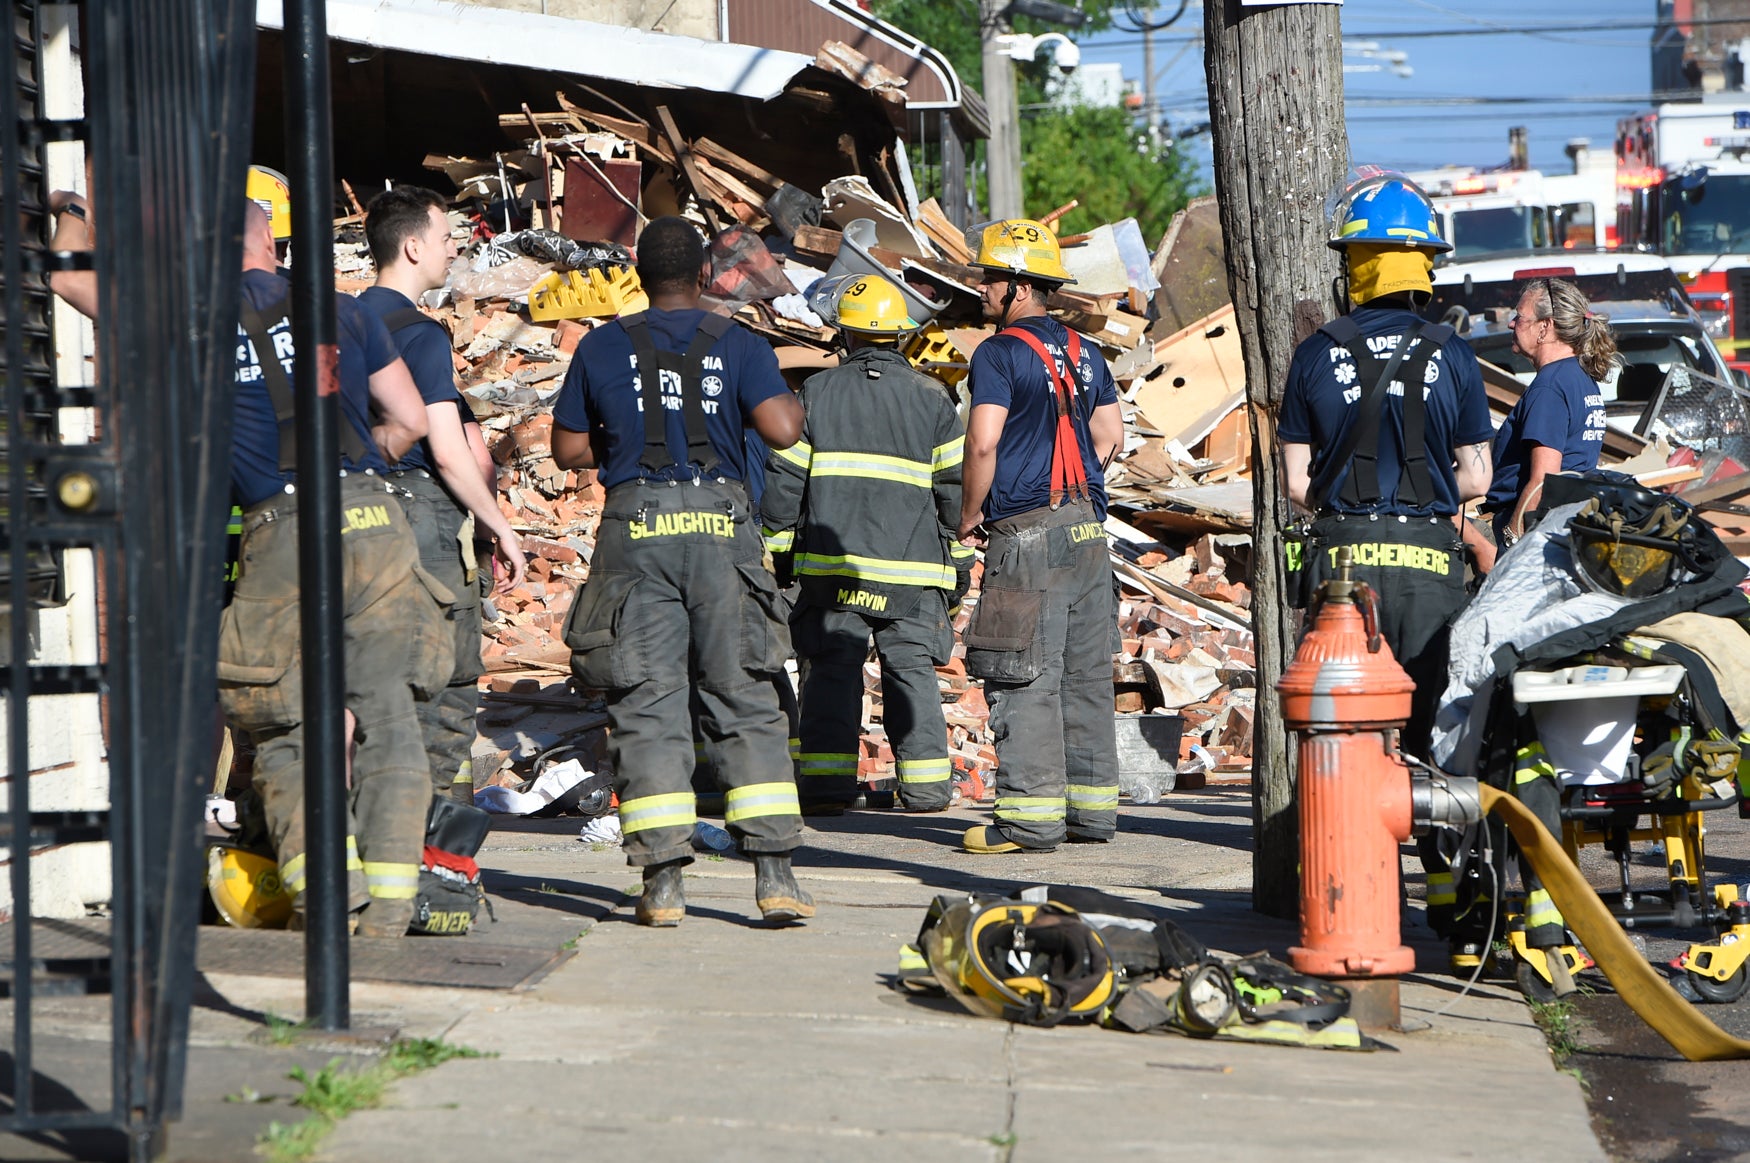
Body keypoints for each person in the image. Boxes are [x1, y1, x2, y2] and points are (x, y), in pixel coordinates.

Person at [551, 216, 812, 926]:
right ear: (704, 275)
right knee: (744, 695)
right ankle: (775, 877)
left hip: (636, 531)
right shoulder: (741, 343)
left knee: (647, 703)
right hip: (722, 529)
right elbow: (784, 430)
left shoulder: (602, 346)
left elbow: (570, 449)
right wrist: (776, 395)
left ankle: (662, 883)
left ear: (637, 274)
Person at [217, 199, 451, 938]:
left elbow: (73, 284)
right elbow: (411, 422)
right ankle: (386, 913)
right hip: (373, 522)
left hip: (279, 529)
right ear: (269, 242)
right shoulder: (342, 309)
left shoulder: (188, 323)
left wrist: (69, 210)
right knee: (387, 715)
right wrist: (363, 458)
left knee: (284, 725)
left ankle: (328, 898)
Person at [1279, 171, 1494, 967]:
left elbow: (1299, 486)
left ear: (1355, 265)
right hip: (1431, 569)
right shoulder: (1456, 355)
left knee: (1342, 734)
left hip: (1342, 574)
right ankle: (1455, 908)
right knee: (1443, 736)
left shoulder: (1314, 355)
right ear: (1423, 266)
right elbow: (1474, 476)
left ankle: (1346, 895)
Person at [760, 274, 973, 815]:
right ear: (899, 335)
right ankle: (926, 790)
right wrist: (961, 562)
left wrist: (782, 552)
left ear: (845, 335)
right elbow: (955, 493)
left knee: (832, 672)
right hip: (914, 573)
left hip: (834, 574)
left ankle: (827, 790)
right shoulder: (934, 399)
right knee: (912, 674)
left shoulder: (816, 393)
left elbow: (785, 485)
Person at [956, 219, 1125, 854]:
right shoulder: (1086, 351)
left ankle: (1028, 820)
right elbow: (1110, 436)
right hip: (1087, 532)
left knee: (1023, 675)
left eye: (990, 279)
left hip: (1028, 536)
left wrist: (971, 513)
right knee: (1083, 676)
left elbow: (983, 440)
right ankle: (1091, 814)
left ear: (1019, 288)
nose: (982, 290)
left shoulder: (998, 353)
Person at [360, 185, 527, 804]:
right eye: (444, 237)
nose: (454, 247)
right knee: (445, 686)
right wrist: (499, 526)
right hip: (418, 525)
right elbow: (449, 451)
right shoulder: (420, 334)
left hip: (349, 515)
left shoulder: (336, 323)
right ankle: (431, 848)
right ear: (411, 247)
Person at [1482, 277, 1615, 554]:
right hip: (1566, 525)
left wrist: (1512, 541)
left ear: (1545, 327)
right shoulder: (1579, 377)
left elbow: (1542, 480)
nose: (1511, 324)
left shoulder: (1550, 386)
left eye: (1519, 317)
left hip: (1539, 531)